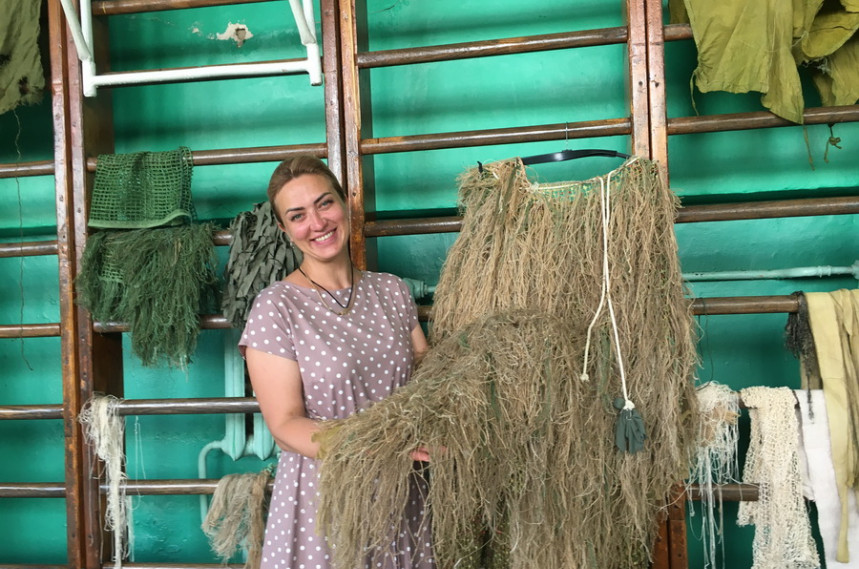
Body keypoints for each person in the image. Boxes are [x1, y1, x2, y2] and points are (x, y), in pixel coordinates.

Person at [239, 156, 434, 569]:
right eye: (298, 215)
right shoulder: (276, 307)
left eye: (324, 204)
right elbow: (286, 425)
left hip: (403, 493)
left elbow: (427, 372)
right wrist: (380, 447)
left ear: (345, 204)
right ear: (285, 230)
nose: (317, 223)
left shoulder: (393, 291)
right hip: (325, 498)